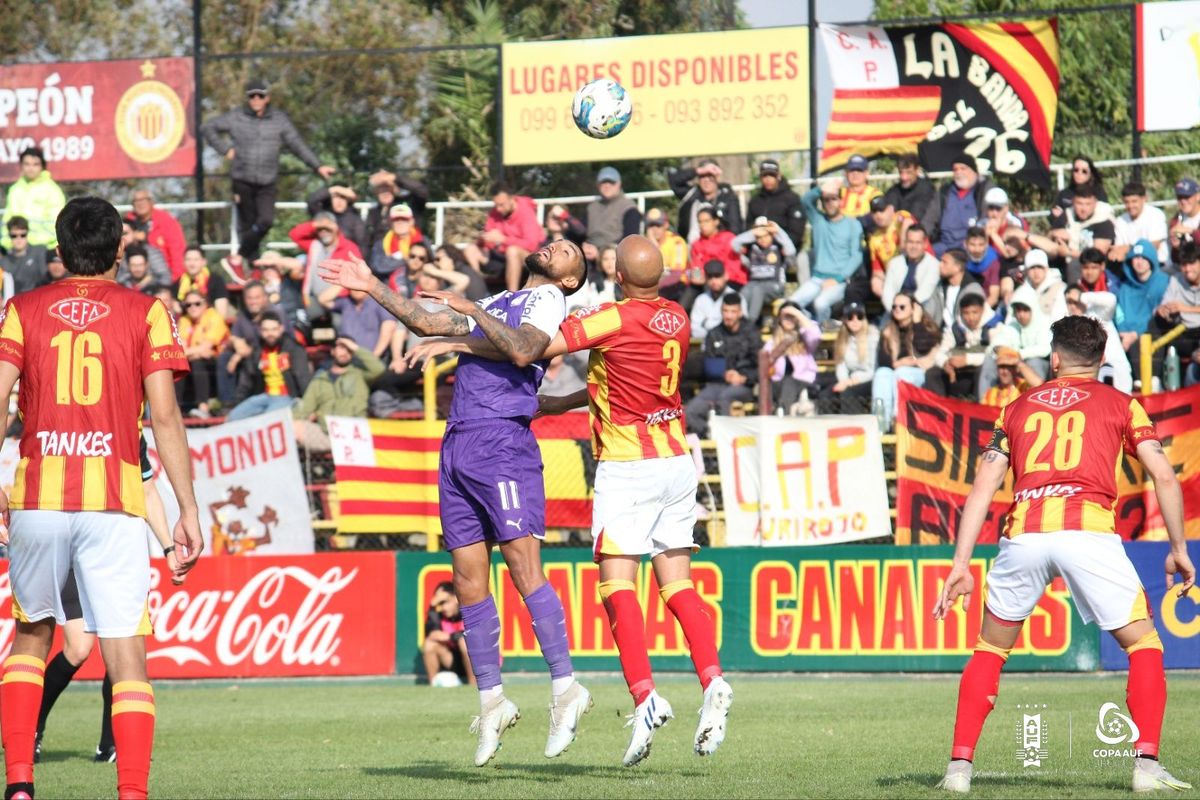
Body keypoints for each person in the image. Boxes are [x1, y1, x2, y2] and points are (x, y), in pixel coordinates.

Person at [319, 240, 592, 765]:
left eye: (565, 252)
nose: (553, 246)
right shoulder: (498, 301)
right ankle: (492, 701)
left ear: (571, 280)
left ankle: (566, 689)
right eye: (553, 242)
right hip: (460, 440)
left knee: (522, 568)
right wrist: (372, 283)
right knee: (467, 580)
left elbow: (523, 350)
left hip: (504, 443)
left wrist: (463, 332)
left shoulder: (549, 303)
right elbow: (425, 322)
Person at [933, 314, 1194, 795]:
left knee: (990, 650)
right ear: (1101, 359)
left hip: (1025, 531)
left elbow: (983, 485)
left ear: (1053, 358)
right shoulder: (1122, 404)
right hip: (1087, 530)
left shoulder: (1015, 407)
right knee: (1143, 646)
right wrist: (1178, 549)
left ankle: (958, 770)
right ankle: (1146, 767)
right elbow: (1163, 476)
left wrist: (959, 565)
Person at [0, 196, 202, 800]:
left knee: (31, 636)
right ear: (121, 248)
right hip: (113, 502)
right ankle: (131, 794)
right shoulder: (147, 312)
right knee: (126, 657)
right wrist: (188, 510)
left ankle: (18, 786)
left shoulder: (22, 308)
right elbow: (164, 416)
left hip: (37, 495)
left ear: (58, 251)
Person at [33, 435, 182, 764]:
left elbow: (147, 490)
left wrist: (169, 547)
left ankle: (109, 744)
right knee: (78, 649)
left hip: (115, 551)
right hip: (69, 549)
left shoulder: (131, 433)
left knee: (123, 642)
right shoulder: (70, 428)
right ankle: (33, 726)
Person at [200, 78, 336, 270]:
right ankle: (251, 270)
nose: (256, 99)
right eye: (252, 96)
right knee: (247, 225)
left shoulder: (279, 120)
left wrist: (318, 166)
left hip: (267, 182)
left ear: (267, 98)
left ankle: (238, 256)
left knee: (265, 221)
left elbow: (297, 144)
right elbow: (208, 127)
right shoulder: (237, 116)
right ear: (248, 98)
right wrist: (225, 149)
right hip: (242, 180)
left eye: (260, 95)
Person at [685, 292, 760, 438]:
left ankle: (728, 440)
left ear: (739, 312)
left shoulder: (752, 333)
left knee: (724, 399)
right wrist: (725, 374)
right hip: (717, 383)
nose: (729, 316)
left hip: (743, 386)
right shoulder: (714, 333)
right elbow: (708, 364)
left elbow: (760, 365)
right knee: (690, 412)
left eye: (733, 311)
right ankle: (709, 437)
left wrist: (744, 378)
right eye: (725, 311)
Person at [789, 178, 863, 323]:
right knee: (792, 304)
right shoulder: (818, 220)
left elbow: (857, 256)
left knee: (820, 303)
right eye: (826, 200)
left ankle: (822, 331)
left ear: (841, 201)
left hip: (840, 281)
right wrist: (822, 190)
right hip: (816, 278)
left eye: (834, 199)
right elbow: (805, 201)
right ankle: (811, 325)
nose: (830, 203)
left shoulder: (853, 225)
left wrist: (838, 279)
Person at [291, 337, 384, 452]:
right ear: (332, 351)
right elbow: (305, 408)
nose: (345, 352)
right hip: (326, 434)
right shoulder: (320, 380)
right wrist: (296, 419)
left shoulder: (360, 375)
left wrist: (355, 348)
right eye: (341, 348)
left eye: (348, 349)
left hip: (354, 435)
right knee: (293, 426)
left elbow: (379, 369)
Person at [227, 311, 311, 422]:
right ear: (260, 331)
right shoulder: (257, 351)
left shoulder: (293, 349)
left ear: (281, 329)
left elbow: (303, 377)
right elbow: (246, 380)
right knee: (233, 417)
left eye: (274, 329)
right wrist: (236, 403)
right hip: (264, 396)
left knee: (268, 420)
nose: (270, 334)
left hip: (287, 397)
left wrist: (307, 404)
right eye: (266, 330)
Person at [872, 292, 941, 427]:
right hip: (897, 372)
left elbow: (923, 348)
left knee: (902, 373)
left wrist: (917, 322)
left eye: (902, 307)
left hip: (921, 373)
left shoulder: (927, 328)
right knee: (882, 373)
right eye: (894, 307)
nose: (897, 309)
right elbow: (884, 362)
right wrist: (899, 363)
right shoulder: (888, 332)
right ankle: (881, 425)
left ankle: (900, 422)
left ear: (914, 308)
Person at [978, 283, 1052, 401]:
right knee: (990, 359)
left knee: (1034, 361)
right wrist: (1002, 350)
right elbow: (997, 344)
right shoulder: (1013, 325)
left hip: (1038, 367)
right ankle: (984, 404)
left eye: (1025, 310)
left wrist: (1018, 356)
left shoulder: (1044, 323)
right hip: (1015, 363)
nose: (1021, 314)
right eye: (1018, 310)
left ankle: (1036, 401)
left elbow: (1045, 349)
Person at [468, 182, 544, 293]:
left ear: (512, 199)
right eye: (496, 205)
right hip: (501, 256)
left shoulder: (526, 212)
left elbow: (532, 245)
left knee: (512, 251)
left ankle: (511, 296)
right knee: (470, 249)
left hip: (527, 257)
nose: (498, 209)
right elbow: (489, 241)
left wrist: (503, 239)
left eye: (501, 204)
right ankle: (478, 291)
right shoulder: (495, 212)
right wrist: (483, 240)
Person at [928, 286, 999, 399]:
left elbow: (995, 355)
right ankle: (938, 409)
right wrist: (945, 363)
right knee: (933, 373)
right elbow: (940, 352)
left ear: (983, 310)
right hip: (957, 373)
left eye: (975, 312)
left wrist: (967, 360)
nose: (970, 317)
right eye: (966, 313)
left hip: (980, 372)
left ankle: (981, 409)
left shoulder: (995, 326)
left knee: (985, 369)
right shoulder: (955, 327)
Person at [759, 303, 820, 416]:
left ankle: (786, 415)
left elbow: (815, 335)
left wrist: (797, 313)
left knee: (790, 383)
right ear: (779, 319)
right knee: (781, 384)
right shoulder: (772, 343)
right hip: (778, 384)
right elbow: (766, 366)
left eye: (792, 317)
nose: (789, 319)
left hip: (803, 383)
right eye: (786, 316)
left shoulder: (805, 340)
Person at [176, 291, 229, 418]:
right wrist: (195, 352)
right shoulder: (184, 320)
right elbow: (180, 349)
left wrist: (190, 352)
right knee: (179, 364)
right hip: (192, 359)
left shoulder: (214, 317)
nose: (193, 307)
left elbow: (207, 347)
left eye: (197, 304)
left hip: (218, 361)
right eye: (188, 305)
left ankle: (203, 408)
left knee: (198, 362)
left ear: (205, 304)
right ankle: (175, 408)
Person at [1, 147, 66, 250]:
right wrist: (6, 244)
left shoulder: (52, 190)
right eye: (27, 164)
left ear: (42, 166)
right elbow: (7, 219)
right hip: (15, 248)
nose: (31, 168)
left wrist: (31, 242)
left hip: (45, 248)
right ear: (21, 166)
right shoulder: (15, 190)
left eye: (35, 164)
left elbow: (57, 223)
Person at [731, 217, 793, 324]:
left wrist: (778, 231)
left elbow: (791, 250)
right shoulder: (751, 248)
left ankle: (750, 323)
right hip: (753, 284)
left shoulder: (778, 246)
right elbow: (734, 244)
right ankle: (740, 322)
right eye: (758, 237)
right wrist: (752, 233)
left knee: (758, 290)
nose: (762, 239)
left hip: (775, 285)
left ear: (772, 234)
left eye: (766, 235)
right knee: (743, 292)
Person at [818, 302, 877, 414]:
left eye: (859, 317)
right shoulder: (842, 339)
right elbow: (841, 366)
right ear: (845, 320)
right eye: (850, 317)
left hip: (869, 379)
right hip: (849, 379)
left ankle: (852, 426)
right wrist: (844, 381)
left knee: (849, 394)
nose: (855, 321)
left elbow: (873, 370)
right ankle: (829, 427)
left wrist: (853, 381)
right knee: (825, 395)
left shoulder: (873, 337)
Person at [1116, 239, 1170, 354]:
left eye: (1144, 258)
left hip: (1151, 335)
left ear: (1151, 260)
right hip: (1124, 335)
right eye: (1136, 258)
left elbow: (1158, 315)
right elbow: (1118, 311)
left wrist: (1135, 334)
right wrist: (1123, 331)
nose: (1139, 262)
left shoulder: (1164, 282)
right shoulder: (1125, 287)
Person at [933, 154, 993, 256]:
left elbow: (988, 218)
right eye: (955, 170)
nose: (958, 172)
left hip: (969, 246)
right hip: (944, 244)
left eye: (963, 168)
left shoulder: (983, 189)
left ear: (973, 170)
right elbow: (930, 217)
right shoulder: (945, 191)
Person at [670, 159, 743, 242]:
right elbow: (674, 181)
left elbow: (735, 228)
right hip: (694, 247)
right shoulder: (691, 194)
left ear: (717, 177)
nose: (706, 180)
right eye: (702, 176)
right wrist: (698, 170)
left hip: (721, 247)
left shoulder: (728, 196)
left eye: (710, 176)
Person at [746, 159, 805, 261]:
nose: (768, 179)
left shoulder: (792, 198)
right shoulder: (755, 200)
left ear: (779, 176)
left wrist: (778, 246)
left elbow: (797, 231)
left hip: (784, 250)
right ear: (760, 178)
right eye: (765, 176)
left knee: (801, 258)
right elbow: (748, 227)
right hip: (758, 249)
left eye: (772, 175)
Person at [881, 225, 940, 319]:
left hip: (921, 310)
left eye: (918, 243)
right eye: (910, 242)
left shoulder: (934, 265)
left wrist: (906, 311)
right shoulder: (895, 263)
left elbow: (925, 293)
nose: (914, 246)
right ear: (905, 243)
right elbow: (887, 292)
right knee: (885, 331)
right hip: (895, 310)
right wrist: (895, 310)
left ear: (925, 244)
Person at [125, 190, 186, 281]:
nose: (140, 204)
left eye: (143, 200)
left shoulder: (167, 222)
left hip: (162, 275)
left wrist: (175, 280)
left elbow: (177, 253)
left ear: (151, 202)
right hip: (132, 276)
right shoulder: (127, 224)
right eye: (136, 201)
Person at [582, 167, 641, 259]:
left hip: (616, 257)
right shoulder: (591, 208)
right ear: (598, 185)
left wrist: (602, 254)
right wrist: (584, 247)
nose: (607, 186)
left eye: (611, 182)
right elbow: (580, 232)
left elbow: (630, 240)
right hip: (589, 255)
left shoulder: (629, 208)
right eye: (603, 182)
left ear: (619, 184)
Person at [423, 582, 474, 687]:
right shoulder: (439, 616)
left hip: (479, 662)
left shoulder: (468, 611)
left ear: (456, 598)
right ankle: (434, 685)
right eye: (439, 604)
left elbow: (475, 635)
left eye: (445, 602)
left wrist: (451, 636)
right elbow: (432, 635)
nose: (443, 607)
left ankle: (474, 685)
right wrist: (432, 607)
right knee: (429, 644)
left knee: (464, 642)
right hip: (455, 662)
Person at [866, 196, 915, 302]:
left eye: (882, 210)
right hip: (893, 278)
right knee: (875, 283)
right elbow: (877, 271)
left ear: (891, 209)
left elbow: (909, 223)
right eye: (874, 212)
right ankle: (893, 305)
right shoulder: (874, 239)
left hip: (913, 268)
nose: (878, 215)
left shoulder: (899, 218)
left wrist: (903, 242)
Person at [365, 169, 429, 246]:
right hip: (381, 252)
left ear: (395, 190)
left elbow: (422, 191)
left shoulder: (407, 204)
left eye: (388, 189)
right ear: (376, 193)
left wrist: (395, 178)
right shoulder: (374, 212)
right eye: (381, 190)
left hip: (408, 247)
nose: (385, 193)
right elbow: (368, 239)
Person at [1111, 181, 1169, 264]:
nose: (1130, 206)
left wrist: (1128, 248)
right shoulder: (1120, 220)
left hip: (1158, 263)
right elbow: (1118, 249)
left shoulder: (1156, 215)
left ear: (1144, 199)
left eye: (1134, 201)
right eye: (1127, 202)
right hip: (1130, 264)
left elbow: (1154, 246)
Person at [689, 260, 745, 340]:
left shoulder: (736, 298)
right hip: (706, 344)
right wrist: (713, 337)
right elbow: (695, 327)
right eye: (710, 277)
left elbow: (743, 325)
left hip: (733, 343)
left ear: (726, 276)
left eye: (717, 276)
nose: (714, 281)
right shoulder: (700, 300)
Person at [689, 206, 743, 286]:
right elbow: (696, 266)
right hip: (705, 282)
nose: (703, 225)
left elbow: (733, 266)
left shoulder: (729, 238)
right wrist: (698, 278)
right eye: (700, 222)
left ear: (716, 221)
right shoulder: (696, 244)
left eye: (706, 221)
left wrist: (716, 279)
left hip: (729, 281)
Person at [883, 153, 939, 232]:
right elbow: (887, 209)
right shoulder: (894, 190)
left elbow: (915, 216)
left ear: (917, 170)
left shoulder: (926, 189)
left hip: (919, 234)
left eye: (908, 172)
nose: (904, 177)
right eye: (901, 172)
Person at [174, 244, 230, 322]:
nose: (192, 264)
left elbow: (222, 314)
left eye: (196, 259)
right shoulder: (177, 284)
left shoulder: (215, 281)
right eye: (188, 260)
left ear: (204, 262)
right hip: (186, 328)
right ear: (183, 262)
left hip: (210, 326)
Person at [368, 204, 425, 280]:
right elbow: (378, 266)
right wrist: (405, 260)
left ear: (412, 222)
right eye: (396, 220)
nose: (400, 223)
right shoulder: (381, 244)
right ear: (390, 223)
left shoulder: (422, 241)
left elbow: (428, 264)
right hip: (388, 286)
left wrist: (392, 261)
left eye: (404, 219)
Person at [306, 185, 367, 253]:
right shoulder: (323, 213)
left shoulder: (355, 219)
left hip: (344, 257)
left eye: (343, 197)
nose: (339, 201)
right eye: (335, 197)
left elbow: (362, 245)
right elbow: (311, 201)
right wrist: (335, 189)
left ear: (348, 200)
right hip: (322, 254)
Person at [643, 208, 689, 297]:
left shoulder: (677, 242)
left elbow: (676, 275)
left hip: (676, 285)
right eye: (651, 225)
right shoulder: (643, 243)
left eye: (658, 225)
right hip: (654, 286)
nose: (654, 229)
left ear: (666, 225)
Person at [1, 217, 48, 295]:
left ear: (27, 233)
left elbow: (48, 277)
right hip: (16, 303)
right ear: (9, 235)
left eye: (23, 235)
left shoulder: (40, 251)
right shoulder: (4, 262)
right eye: (14, 236)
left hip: (39, 299)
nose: (19, 239)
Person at [840, 155, 882, 220]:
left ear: (867, 173)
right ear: (846, 173)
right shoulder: (839, 193)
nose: (855, 173)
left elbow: (879, 215)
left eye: (859, 170)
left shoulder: (874, 194)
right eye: (852, 170)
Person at [1169, 177, 1200, 266]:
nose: (1183, 201)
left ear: (1198, 196)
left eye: (1187, 197)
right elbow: (1175, 259)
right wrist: (1177, 247)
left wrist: (1190, 232)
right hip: (1186, 268)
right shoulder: (1176, 220)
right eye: (1180, 197)